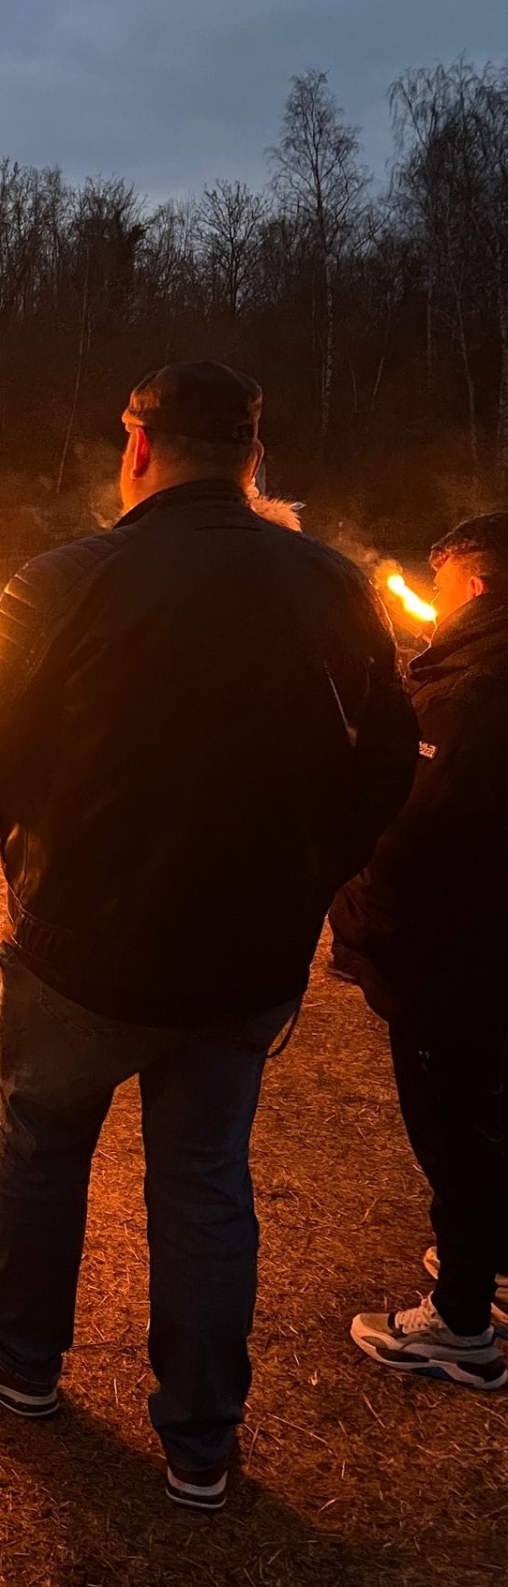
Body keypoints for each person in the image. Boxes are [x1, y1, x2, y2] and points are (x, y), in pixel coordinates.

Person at [0, 362, 417, 1512]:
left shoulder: (60, 583)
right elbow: (389, 761)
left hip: (81, 947)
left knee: (45, 1145)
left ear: (137, 449)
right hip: (246, 952)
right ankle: (200, 1441)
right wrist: (311, 870)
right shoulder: (332, 583)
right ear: (253, 455)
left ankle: (24, 1360)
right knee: (204, 1181)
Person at [331, 513, 508, 1390]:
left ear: (474, 586)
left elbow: (414, 833)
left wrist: (350, 906)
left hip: (457, 959)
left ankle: (463, 1324)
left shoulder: (473, 692)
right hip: (481, 948)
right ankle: (494, 1261)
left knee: (457, 1132)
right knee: (489, 1116)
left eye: (442, 584)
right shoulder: (464, 676)